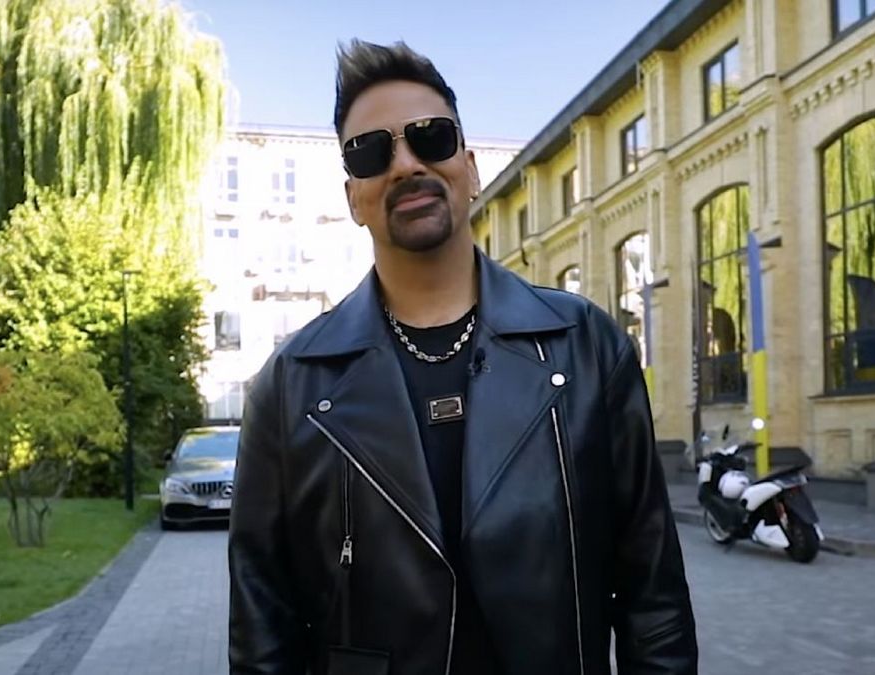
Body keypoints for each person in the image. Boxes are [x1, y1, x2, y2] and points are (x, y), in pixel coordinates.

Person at [229, 39, 698, 675]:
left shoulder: (587, 346)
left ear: (469, 170)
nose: (405, 165)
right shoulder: (292, 385)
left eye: (431, 138)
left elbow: (653, 595)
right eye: (371, 152)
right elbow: (262, 622)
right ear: (353, 198)